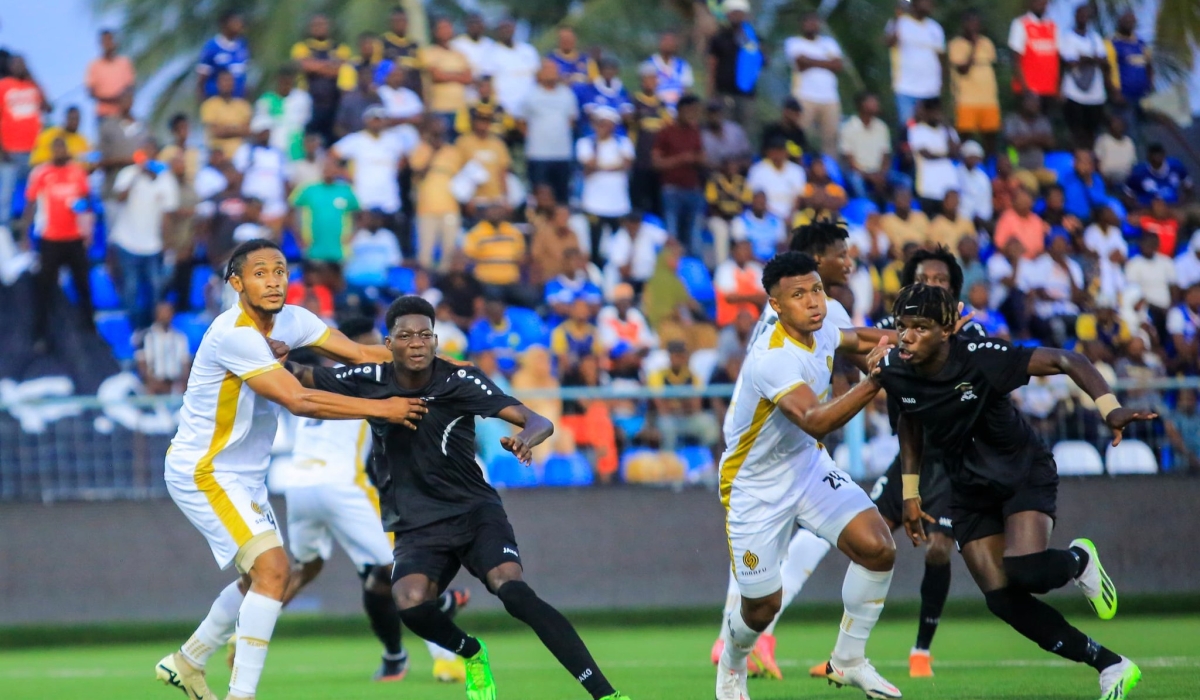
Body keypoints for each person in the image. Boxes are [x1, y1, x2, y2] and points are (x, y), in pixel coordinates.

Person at [286, 295, 631, 700]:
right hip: (417, 524)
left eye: (424, 334)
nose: (416, 342)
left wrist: (524, 438)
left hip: (472, 511)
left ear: (435, 341)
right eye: (406, 335)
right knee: (410, 602)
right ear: (389, 342)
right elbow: (301, 377)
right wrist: (259, 351)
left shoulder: (459, 380)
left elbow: (537, 419)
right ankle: (472, 652)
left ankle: (606, 694)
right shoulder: (370, 379)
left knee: (514, 592)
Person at [152, 239, 424, 700]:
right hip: (205, 470)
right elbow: (298, 399)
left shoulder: (293, 320)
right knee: (275, 571)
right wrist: (384, 409)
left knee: (257, 576)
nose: (274, 280)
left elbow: (359, 354)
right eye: (260, 272)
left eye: (279, 270)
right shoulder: (233, 334)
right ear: (236, 283)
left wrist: (441, 365)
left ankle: (188, 660)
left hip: (244, 475)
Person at [878, 282, 1153, 700]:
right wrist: (911, 494)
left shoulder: (981, 358)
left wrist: (1109, 408)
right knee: (1002, 599)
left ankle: (1079, 559)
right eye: (902, 326)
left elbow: (1067, 358)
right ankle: (1111, 665)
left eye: (920, 327)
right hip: (967, 488)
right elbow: (910, 422)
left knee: (1026, 571)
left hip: (1021, 471)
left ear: (948, 329)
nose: (907, 336)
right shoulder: (896, 369)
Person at [715, 250, 901, 700]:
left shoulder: (823, 330)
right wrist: (875, 381)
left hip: (808, 467)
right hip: (754, 488)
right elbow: (816, 419)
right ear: (776, 306)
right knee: (762, 607)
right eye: (798, 295)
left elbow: (863, 339)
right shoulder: (771, 358)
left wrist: (921, 338)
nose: (813, 301)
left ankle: (849, 660)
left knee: (877, 548)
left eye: (816, 289)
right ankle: (733, 664)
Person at [279, 317, 470, 684]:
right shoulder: (370, 378)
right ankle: (445, 653)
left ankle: (243, 631)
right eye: (373, 344)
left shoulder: (320, 377)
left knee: (361, 575)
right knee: (404, 568)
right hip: (344, 486)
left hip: (299, 485)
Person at [22, 137, 93, 343]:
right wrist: (25, 234)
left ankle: (89, 328)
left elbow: (87, 202)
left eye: (63, 148)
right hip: (50, 238)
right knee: (44, 287)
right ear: (52, 151)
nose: (60, 152)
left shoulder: (77, 172)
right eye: (56, 149)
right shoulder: (41, 173)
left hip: (74, 238)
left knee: (83, 285)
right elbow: (31, 203)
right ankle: (41, 334)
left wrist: (86, 226)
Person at [111, 137, 180, 329]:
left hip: (153, 245)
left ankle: (151, 329)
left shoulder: (166, 179)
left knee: (156, 290)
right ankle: (136, 329)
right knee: (131, 290)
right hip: (127, 242)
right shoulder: (128, 173)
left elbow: (168, 214)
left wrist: (168, 243)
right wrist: (137, 174)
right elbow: (120, 198)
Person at [330, 106, 408, 231]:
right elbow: (332, 155)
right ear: (366, 121)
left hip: (388, 197)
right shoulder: (356, 139)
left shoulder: (393, 139)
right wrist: (344, 174)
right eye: (374, 120)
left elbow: (403, 158)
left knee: (387, 235)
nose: (377, 123)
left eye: (380, 120)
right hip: (363, 197)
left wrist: (395, 171)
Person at [578, 107, 635, 263]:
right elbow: (590, 164)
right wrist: (599, 147)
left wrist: (601, 168)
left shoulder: (623, 142)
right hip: (594, 204)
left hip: (618, 204)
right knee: (594, 244)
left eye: (607, 124)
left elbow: (626, 164)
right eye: (600, 123)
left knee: (619, 245)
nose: (603, 127)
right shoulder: (586, 142)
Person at [654, 94, 707, 258]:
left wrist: (696, 159)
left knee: (694, 233)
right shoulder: (666, 132)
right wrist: (681, 159)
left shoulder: (695, 132)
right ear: (680, 110)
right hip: (671, 190)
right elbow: (656, 163)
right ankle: (672, 267)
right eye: (690, 110)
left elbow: (703, 157)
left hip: (693, 188)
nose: (693, 114)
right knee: (672, 232)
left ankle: (695, 270)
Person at [520, 59, 579, 204]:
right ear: (540, 74)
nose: (550, 73)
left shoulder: (567, 95)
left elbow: (572, 120)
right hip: (538, 154)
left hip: (562, 154)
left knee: (561, 197)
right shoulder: (531, 95)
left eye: (553, 70)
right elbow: (521, 121)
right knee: (540, 196)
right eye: (547, 70)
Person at [409, 117, 463, 271]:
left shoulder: (453, 152)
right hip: (426, 210)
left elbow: (461, 179)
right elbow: (417, 174)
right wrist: (433, 153)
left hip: (451, 209)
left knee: (449, 254)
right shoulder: (420, 150)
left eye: (440, 133)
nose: (438, 136)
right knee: (425, 255)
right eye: (435, 132)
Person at [785, 13, 844, 155]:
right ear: (802, 24)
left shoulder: (829, 43)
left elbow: (838, 65)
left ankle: (829, 171)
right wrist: (826, 62)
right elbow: (800, 63)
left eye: (814, 22)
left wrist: (811, 61)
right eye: (808, 22)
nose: (812, 25)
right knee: (798, 135)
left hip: (830, 99)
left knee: (830, 139)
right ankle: (796, 164)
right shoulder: (794, 42)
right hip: (804, 97)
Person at [0, 55, 47, 229]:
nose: (19, 66)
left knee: (35, 198)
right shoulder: (3, 86)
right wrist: (2, 151)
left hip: (35, 153)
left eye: (23, 64)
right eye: (16, 63)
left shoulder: (33, 86)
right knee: (4, 199)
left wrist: (32, 77)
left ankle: (31, 237)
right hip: (10, 153)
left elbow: (47, 106)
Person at [649, 339, 721, 451]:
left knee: (708, 423)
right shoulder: (658, 376)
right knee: (667, 426)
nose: (677, 358)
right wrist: (682, 401)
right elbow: (661, 407)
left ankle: (706, 459)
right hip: (667, 418)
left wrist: (678, 404)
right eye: (674, 355)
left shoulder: (693, 377)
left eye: (680, 355)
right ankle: (669, 460)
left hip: (687, 417)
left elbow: (696, 407)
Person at [706, 0, 765, 136]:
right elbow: (712, 65)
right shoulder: (719, 37)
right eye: (734, 13)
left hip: (746, 95)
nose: (737, 16)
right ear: (728, 15)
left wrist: (755, 47)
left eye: (740, 13)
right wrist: (711, 92)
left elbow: (763, 62)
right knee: (725, 130)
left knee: (744, 132)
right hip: (724, 93)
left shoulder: (753, 37)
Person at [290, 14, 350, 145]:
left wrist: (316, 66)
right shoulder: (301, 47)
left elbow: (342, 68)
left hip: (333, 105)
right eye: (315, 25)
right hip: (309, 103)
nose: (319, 28)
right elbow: (305, 66)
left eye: (322, 24)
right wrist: (330, 65)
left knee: (332, 141)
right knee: (307, 140)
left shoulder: (340, 48)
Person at [886, 0, 945, 126]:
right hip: (906, 89)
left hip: (931, 91)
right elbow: (889, 42)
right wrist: (898, 17)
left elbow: (941, 59)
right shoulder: (899, 23)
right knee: (909, 130)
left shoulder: (935, 28)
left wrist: (942, 85)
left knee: (931, 131)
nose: (930, 3)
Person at [289, 157, 359, 263]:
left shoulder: (346, 191)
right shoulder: (308, 189)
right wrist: (299, 237)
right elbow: (292, 212)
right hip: (313, 248)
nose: (328, 170)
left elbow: (358, 216)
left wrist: (352, 237)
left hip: (340, 249)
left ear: (337, 170)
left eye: (332, 167)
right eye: (326, 167)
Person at [1059, 2, 1110, 149]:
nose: (1083, 17)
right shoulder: (1067, 37)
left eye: (1086, 14)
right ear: (1075, 17)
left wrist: (1084, 58)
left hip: (1095, 95)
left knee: (1092, 133)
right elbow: (1070, 63)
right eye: (1080, 14)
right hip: (1074, 94)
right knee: (1076, 132)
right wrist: (1092, 59)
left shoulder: (1095, 38)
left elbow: (1104, 61)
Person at [948, 10, 999, 153]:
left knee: (990, 137)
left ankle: (990, 167)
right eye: (970, 23)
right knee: (965, 137)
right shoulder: (956, 44)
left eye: (976, 23)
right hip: (966, 99)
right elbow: (963, 69)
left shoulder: (987, 43)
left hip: (988, 99)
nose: (974, 27)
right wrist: (974, 47)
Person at [462, 203, 529, 305]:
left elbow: (521, 256)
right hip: (487, 280)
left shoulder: (513, 232)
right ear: (486, 214)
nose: (495, 214)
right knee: (495, 299)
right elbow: (469, 257)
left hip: (511, 280)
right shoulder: (476, 233)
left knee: (528, 297)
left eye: (498, 211)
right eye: (492, 211)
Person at [839, 92, 899, 201]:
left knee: (904, 181)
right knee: (856, 181)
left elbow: (885, 155)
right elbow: (849, 160)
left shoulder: (882, 127)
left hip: (879, 171)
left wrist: (881, 174)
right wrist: (869, 176)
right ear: (861, 105)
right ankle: (867, 210)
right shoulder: (848, 127)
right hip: (858, 172)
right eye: (872, 102)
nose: (877, 104)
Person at [630, 63, 671, 216]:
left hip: (657, 164)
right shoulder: (634, 101)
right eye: (647, 79)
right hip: (640, 161)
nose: (650, 82)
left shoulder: (662, 105)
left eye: (653, 79)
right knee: (638, 203)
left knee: (657, 204)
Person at [908, 98, 960, 215]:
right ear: (926, 112)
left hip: (949, 186)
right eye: (933, 111)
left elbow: (956, 152)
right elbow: (927, 155)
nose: (937, 115)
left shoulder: (948, 131)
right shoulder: (917, 130)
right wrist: (947, 154)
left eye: (938, 111)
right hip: (928, 188)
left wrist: (947, 127)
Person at [1107, 11, 1153, 140]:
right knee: (1126, 132)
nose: (1129, 24)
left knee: (1142, 133)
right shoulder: (1112, 42)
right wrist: (1115, 92)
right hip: (1123, 97)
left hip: (1142, 97)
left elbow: (1149, 66)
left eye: (1132, 21)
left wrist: (1149, 87)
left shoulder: (1141, 44)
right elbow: (1107, 69)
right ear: (1119, 23)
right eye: (1126, 21)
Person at [255, 64, 312, 162]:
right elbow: (259, 128)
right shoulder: (266, 100)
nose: (286, 85)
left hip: (296, 153)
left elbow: (305, 123)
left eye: (289, 82)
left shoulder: (303, 99)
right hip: (273, 153)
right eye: (283, 82)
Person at [1007, 0, 1059, 103]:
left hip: (1049, 90)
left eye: (1044, 2)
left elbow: (1057, 59)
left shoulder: (1052, 26)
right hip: (1028, 91)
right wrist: (1025, 89)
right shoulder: (1020, 24)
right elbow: (1015, 60)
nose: (1041, 4)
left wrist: (1058, 87)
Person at [136, 300, 192, 395]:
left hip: (175, 385)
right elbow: (141, 364)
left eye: (169, 312)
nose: (166, 316)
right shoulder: (145, 337)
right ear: (156, 315)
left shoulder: (180, 338)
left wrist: (183, 383)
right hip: (153, 386)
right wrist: (152, 383)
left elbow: (185, 364)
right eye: (163, 313)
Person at [747, 137, 806, 223]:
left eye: (781, 150)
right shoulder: (757, 170)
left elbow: (799, 197)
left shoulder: (797, 171)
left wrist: (790, 215)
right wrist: (776, 217)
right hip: (766, 216)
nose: (778, 154)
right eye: (775, 150)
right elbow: (755, 199)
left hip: (791, 216)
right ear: (768, 152)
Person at [1004, 94, 1056, 187]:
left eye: (1037, 103)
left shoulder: (1042, 120)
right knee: (1031, 183)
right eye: (1031, 102)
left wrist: (1025, 139)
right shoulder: (1012, 120)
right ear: (1022, 103)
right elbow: (1014, 144)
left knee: (1053, 179)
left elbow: (1050, 143)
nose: (1035, 105)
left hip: (1039, 168)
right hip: (1017, 168)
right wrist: (1038, 139)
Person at [489, 18, 540, 115]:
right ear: (498, 31)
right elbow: (487, 82)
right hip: (504, 110)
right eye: (503, 28)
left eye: (509, 27)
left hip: (530, 110)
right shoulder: (491, 52)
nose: (506, 31)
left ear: (514, 28)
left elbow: (538, 76)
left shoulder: (528, 50)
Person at [197, 11, 250, 100]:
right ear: (225, 25)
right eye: (235, 22)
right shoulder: (212, 47)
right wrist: (203, 101)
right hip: (217, 102)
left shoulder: (242, 45)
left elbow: (243, 75)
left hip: (237, 102)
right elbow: (202, 79)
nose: (240, 25)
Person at [200, 70, 253, 159]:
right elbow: (215, 132)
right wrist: (237, 128)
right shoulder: (209, 105)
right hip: (219, 158)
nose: (226, 84)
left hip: (241, 156)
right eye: (224, 81)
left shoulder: (243, 105)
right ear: (218, 84)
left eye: (229, 81)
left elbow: (248, 131)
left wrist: (226, 128)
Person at [86, 29, 136, 121]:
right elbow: (90, 91)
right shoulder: (95, 66)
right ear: (101, 44)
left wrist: (123, 99)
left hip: (124, 114)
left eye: (110, 40)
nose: (108, 43)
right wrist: (112, 99)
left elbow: (130, 87)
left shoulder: (124, 63)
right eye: (105, 41)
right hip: (104, 115)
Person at [1124, 143, 1193, 208]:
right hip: (1149, 210)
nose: (1156, 159)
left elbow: (1189, 186)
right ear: (1148, 157)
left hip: (1174, 207)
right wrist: (1139, 208)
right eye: (1153, 156)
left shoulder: (1176, 166)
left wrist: (1183, 203)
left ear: (1164, 155)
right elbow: (1128, 194)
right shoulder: (1138, 172)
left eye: (1158, 155)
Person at [994, 188, 1048, 259]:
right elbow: (999, 245)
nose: (1025, 201)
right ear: (1013, 201)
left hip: (1034, 262)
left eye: (1027, 199)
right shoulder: (1006, 218)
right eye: (1021, 199)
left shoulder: (1037, 220)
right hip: (1011, 260)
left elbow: (1040, 247)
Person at [956, 140, 992, 227]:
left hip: (980, 220)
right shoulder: (956, 173)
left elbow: (985, 200)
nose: (973, 160)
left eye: (976, 157)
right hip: (961, 217)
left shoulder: (983, 178)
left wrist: (981, 217)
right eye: (970, 156)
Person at [1094, 114, 1136, 185]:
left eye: (1120, 124)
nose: (1117, 127)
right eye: (1115, 124)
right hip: (1106, 179)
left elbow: (1133, 164)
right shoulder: (1103, 140)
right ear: (1109, 126)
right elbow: (1096, 162)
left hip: (1126, 180)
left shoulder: (1129, 142)